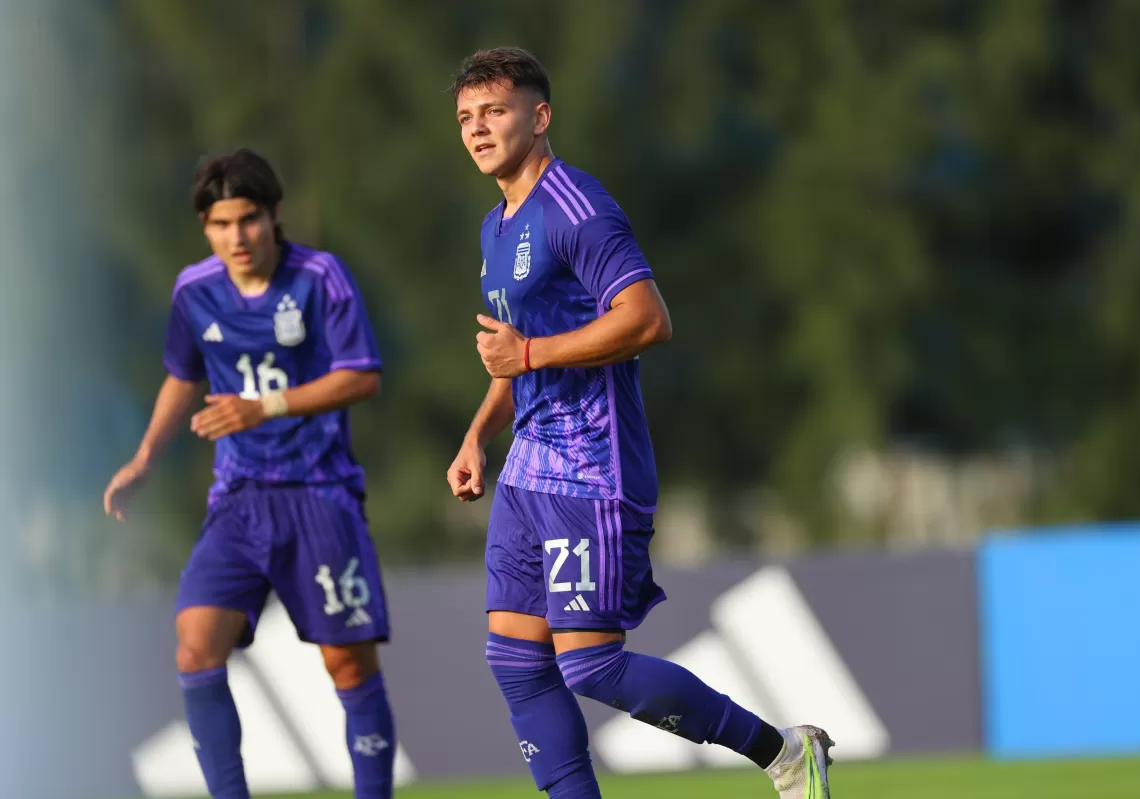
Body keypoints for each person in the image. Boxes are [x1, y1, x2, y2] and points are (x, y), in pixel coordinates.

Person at [446, 48, 835, 799]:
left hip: (591, 466)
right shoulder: (495, 228)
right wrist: (477, 436)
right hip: (528, 467)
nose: (479, 129)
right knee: (516, 660)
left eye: (495, 111)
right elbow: (512, 359)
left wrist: (525, 351)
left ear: (540, 115)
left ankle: (784, 752)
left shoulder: (577, 205)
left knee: (590, 664)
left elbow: (648, 318)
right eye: (466, 117)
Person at [104, 149, 396, 799]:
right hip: (238, 497)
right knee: (194, 646)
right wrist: (146, 457)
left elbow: (363, 375)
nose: (236, 237)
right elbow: (184, 376)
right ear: (206, 227)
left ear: (274, 216)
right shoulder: (194, 291)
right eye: (220, 223)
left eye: (248, 220)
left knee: (348, 664)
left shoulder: (321, 278)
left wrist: (263, 405)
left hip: (320, 494)